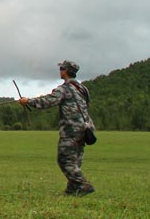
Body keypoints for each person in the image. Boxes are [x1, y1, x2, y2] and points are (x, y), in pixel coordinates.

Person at [18, 60, 95, 196]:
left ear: (65, 71)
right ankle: (72, 189)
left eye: (61, 68)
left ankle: (83, 185)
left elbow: (48, 101)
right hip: (86, 128)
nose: (59, 70)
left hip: (71, 129)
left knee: (64, 159)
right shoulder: (83, 88)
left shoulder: (64, 89)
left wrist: (28, 101)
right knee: (75, 159)